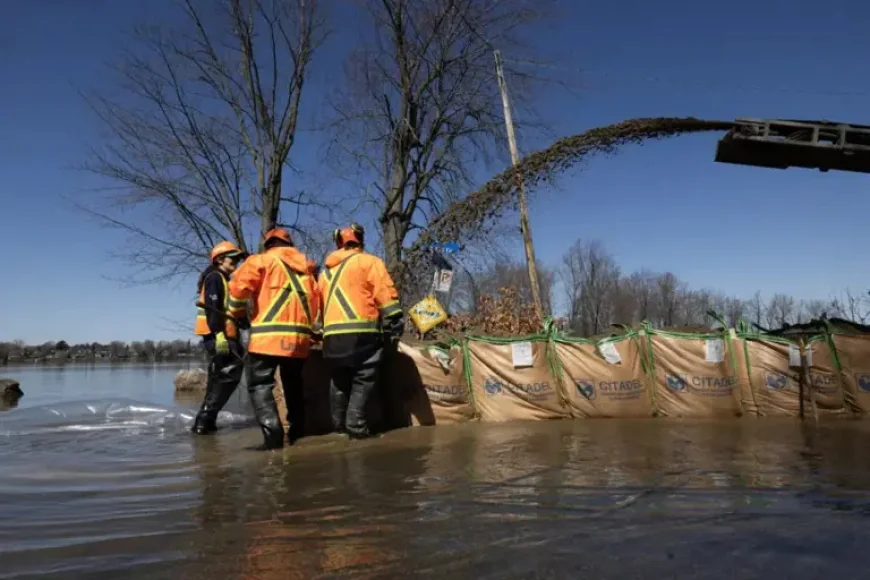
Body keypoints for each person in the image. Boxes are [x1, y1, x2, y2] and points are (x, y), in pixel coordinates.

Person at [228, 228, 321, 450]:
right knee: (293, 386)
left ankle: (273, 440)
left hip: (266, 340)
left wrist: (238, 315)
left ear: (269, 244)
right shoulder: (307, 272)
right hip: (298, 342)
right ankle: (298, 435)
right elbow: (316, 305)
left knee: (260, 385)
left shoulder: (260, 261)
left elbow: (237, 292)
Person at [318, 223, 403, 439]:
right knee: (363, 378)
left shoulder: (325, 273)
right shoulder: (369, 262)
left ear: (339, 243)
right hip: (362, 335)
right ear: (360, 240)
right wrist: (395, 318)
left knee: (339, 380)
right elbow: (384, 292)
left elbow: (316, 304)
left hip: (331, 338)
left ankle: (339, 429)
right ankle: (356, 427)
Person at [192, 241, 246, 435]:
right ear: (220, 259)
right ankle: (205, 420)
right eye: (233, 259)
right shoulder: (215, 277)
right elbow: (213, 310)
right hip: (218, 337)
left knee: (218, 380)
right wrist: (219, 334)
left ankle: (206, 423)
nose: (236, 263)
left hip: (221, 336)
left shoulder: (222, 278)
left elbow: (226, 310)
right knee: (229, 376)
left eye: (238, 260)